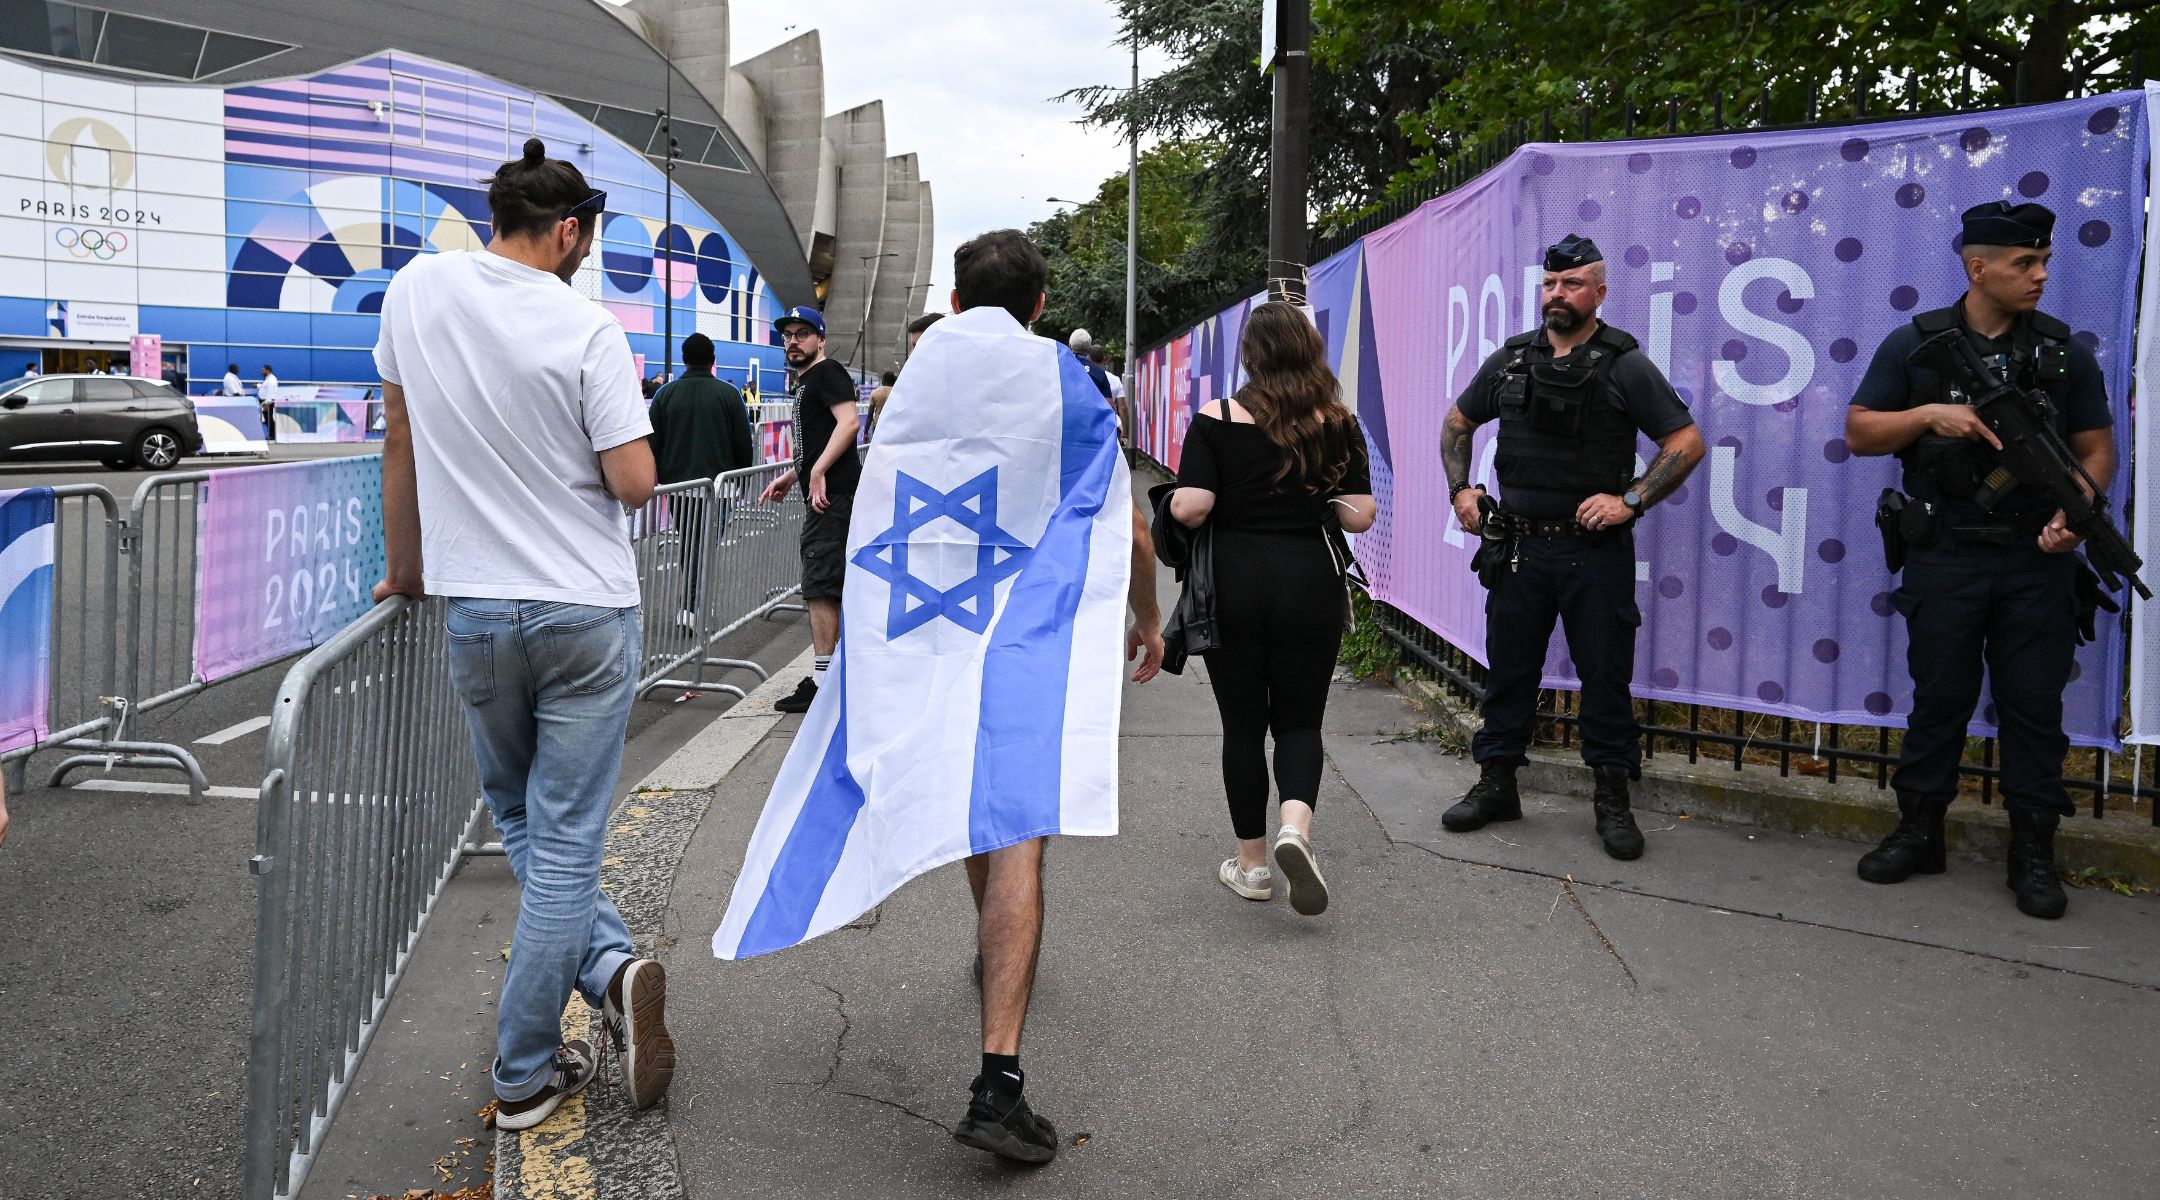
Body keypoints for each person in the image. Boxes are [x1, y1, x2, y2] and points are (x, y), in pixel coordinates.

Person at [371, 136, 674, 1131]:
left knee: (525, 823)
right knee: (568, 840)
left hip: (476, 608)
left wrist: (407, 569)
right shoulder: (588, 327)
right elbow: (633, 483)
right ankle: (526, 1064)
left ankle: (611, 973)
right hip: (586, 606)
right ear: (571, 231)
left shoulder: (414, 291)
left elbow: (402, 437)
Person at [1843, 201, 2111, 920]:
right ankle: (1920, 832)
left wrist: (2074, 513)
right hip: (1947, 556)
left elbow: (2096, 450)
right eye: (2026, 263)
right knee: (1940, 700)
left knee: (2033, 708)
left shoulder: (2063, 354)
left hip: (2037, 561)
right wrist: (1931, 416)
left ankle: (2033, 851)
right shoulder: (1916, 345)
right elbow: (1862, 431)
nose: (2041, 275)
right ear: (1978, 267)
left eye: (2045, 261)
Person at [1439, 234, 1705, 860]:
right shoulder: (1510, 360)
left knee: (1604, 680)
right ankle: (1497, 784)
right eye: (1551, 284)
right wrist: (1461, 491)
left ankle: (1612, 800)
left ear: (1600, 293)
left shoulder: (1623, 363)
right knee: (1509, 674)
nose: (1559, 294)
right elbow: (1457, 424)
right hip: (1519, 550)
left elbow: (1686, 441)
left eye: (1573, 284)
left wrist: (1631, 500)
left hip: (1594, 552)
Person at [1169, 301, 1375, 915]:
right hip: (1309, 580)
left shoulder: (1217, 418)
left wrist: (1189, 496)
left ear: (1250, 357)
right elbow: (1361, 515)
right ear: (1309, 351)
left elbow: (1192, 508)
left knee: (1242, 725)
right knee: (1300, 719)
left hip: (1233, 583)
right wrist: (1313, 500)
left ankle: (1253, 865)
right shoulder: (1335, 422)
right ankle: (1296, 829)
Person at [758, 305, 860, 713]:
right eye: (788, 335)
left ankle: (822, 683)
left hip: (832, 497)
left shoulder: (827, 371)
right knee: (828, 584)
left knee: (820, 586)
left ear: (820, 339)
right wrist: (792, 475)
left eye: (803, 334)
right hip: (825, 492)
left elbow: (849, 422)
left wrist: (817, 471)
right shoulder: (806, 382)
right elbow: (818, 438)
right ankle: (829, 674)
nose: (793, 341)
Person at [650, 332, 754, 625]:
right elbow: (742, 443)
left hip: (678, 487)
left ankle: (694, 603)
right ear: (713, 359)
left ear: (684, 359)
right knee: (705, 545)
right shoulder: (729, 395)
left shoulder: (664, 395)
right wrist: (744, 480)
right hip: (719, 487)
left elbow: (652, 444)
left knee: (689, 543)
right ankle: (691, 606)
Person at [1067, 328, 1111, 398]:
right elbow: (1108, 403)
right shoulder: (1099, 372)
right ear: (1090, 348)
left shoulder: (1060, 368)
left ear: (1069, 346)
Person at [866, 370, 898, 440]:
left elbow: (870, 415)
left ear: (883, 380)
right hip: (893, 425)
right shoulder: (897, 393)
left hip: (878, 424)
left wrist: (865, 432)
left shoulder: (875, 393)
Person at [257, 364, 280, 443]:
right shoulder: (268, 379)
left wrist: (267, 403)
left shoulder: (272, 380)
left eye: (263, 370)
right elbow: (264, 387)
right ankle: (271, 434)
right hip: (265, 402)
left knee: (269, 419)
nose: (262, 371)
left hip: (267, 402)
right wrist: (257, 386)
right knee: (267, 418)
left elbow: (270, 391)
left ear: (268, 370)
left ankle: (272, 435)